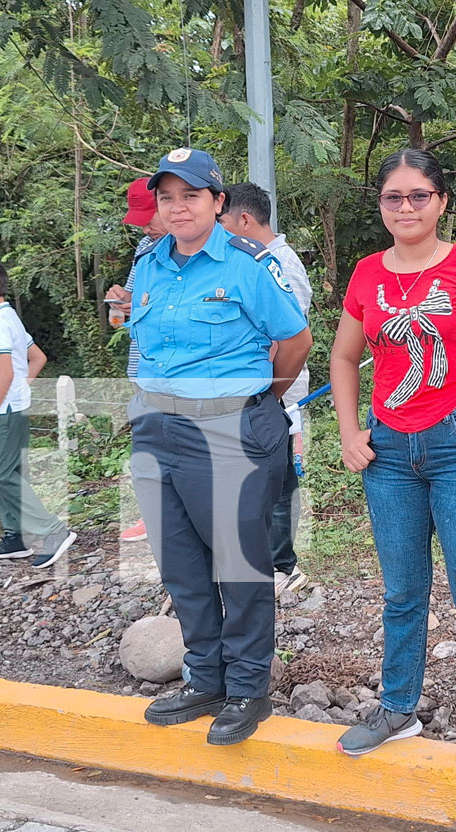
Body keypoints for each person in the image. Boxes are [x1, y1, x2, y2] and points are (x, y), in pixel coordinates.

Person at [329, 149, 456, 788]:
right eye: (394, 197)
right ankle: (397, 708)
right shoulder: (367, 272)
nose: (407, 208)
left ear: (441, 201)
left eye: (419, 196)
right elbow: (341, 358)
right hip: (389, 450)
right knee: (401, 592)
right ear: (382, 205)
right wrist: (348, 431)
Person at [129, 147, 311, 747]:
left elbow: (294, 341)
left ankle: (248, 689)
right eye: (167, 197)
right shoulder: (148, 265)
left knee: (238, 567)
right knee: (182, 567)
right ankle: (204, 677)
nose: (177, 208)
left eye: (191, 196)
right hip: (158, 430)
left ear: (218, 203)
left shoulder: (246, 266)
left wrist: (257, 401)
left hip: (230, 431)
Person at [220, 181, 312, 597]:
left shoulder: (279, 264)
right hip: (256, 393)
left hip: (280, 389)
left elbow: (285, 334)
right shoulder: (245, 260)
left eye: (221, 220)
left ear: (243, 219)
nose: (218, 229)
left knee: (280, 478)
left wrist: (268, 395)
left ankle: (282, 565)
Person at [0, 260, 74, 569]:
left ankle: (54, 531)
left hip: (5, 411)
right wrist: (20, 391)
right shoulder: (7, 316)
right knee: (8, 472)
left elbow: (6, 374)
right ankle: (16, 537)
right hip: (12, 406)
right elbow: (38, 358)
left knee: (3, 475)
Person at [103, 177, 168, 544]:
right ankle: (151, 512)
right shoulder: (145, 247)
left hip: (175, 372)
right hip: (141, 364)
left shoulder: (189, 250)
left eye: (149, 216)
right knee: (146, 445)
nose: (145, 226)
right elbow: (134, 297)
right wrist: (122, 298)